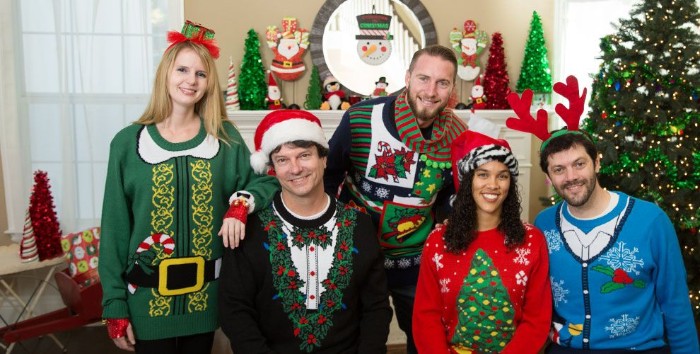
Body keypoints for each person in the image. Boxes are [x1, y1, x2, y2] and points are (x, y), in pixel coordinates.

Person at [99, 21, 278, 353]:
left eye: (201, 73)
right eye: (182, 69)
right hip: (146, 304)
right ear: (166, 74)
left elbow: (265, 181)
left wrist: (240, 205)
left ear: (209, 83)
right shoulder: (126, 143)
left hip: (207, 301)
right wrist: (114, 305)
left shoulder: (224, 138)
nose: (190, 80)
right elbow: (114, 230)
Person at [324, 44, 468, 353]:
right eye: (423, 78)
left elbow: (450, 196)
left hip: (415, 261)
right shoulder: (362, 117)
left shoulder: (458, 135)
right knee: (355, 340)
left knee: (425, 340)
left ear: (452, 88)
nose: (431, 91)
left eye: (442, 83)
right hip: (357, 256)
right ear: (407, 77)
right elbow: (329, 176)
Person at [219, 110, 392, 353]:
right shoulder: (251, 230)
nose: (295, 168)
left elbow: (376, 308)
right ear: (273, 168)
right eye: (282, 160)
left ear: (324, 159)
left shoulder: (359, 225)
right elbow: (235, 310)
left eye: (304, 155)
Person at [534, 129, 700, 353]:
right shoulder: (544, 224)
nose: (571, 176)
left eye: (579, 164)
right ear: (549, 176)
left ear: (597, 163)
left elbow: (676, 304)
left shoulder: (650, 221)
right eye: (559, 169)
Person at [413, 130, 552, 353]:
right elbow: (426, 316)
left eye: (503, 176)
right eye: (483, 174)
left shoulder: (531, 240)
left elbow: (537, 319)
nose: (493, 184)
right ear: (468, 181)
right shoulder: (438, 242)